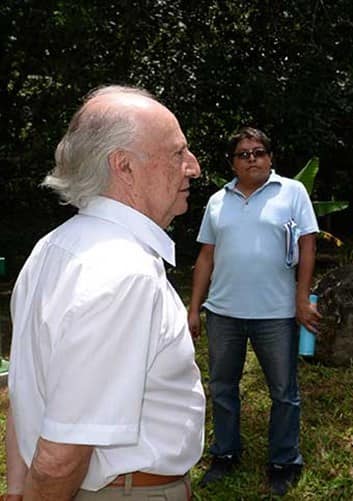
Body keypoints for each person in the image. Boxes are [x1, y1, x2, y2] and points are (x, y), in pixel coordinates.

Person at [4, 85, 205, 500]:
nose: (194, 167)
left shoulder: (52, 248)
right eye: (177, 152)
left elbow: (27, 395)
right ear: (124, 166)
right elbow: (62, 454)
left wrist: (16, 489)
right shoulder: (125, 273)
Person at [188, 127, 319, 495]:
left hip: (276, 313)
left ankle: (283, 460)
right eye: (243, 154)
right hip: (223, 312)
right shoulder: (217, 201)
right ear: (232, 162)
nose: (252, 159)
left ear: (270, 157)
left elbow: (307, 246)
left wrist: (301, 298)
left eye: (258, 152)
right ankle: (225, 454)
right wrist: (194, 307)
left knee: (283, 391)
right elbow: (206, 256)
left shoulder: (292, 192)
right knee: (223, 388)